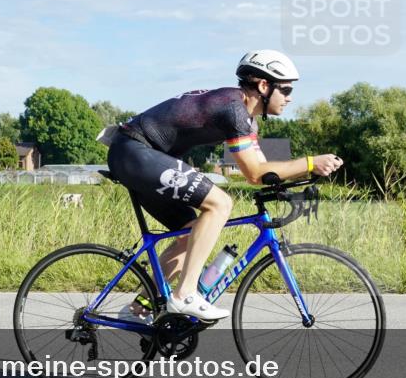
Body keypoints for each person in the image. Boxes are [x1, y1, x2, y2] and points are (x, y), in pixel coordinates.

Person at [105, 50, 344, 321]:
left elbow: (264, 171)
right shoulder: (233, 109)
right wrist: (311, 162)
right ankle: (185, 295)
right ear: (264, 86)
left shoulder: (245, 117)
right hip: (134, 151)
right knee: (220, 204)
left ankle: (138, 309)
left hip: (141, 155)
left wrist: (292, 184)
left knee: (190, 234)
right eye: (286, 89)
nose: (290, 97)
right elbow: (254, 173)